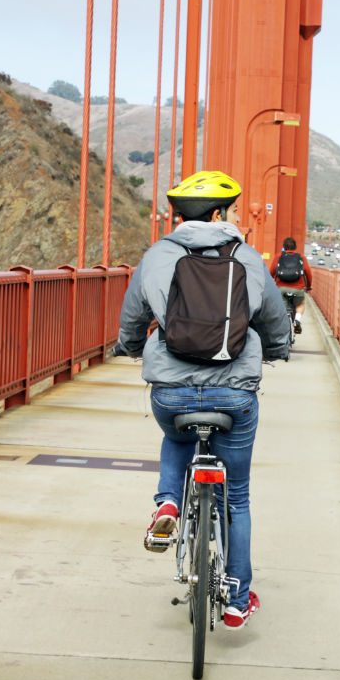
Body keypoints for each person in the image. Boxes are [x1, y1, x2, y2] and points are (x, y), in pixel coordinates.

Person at [117, 170, 291, 631]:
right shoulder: (248, 258)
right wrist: (276, 350)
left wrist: (131, 346)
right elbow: (274, 320)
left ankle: (169, 503)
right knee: (237, 497)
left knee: (175, 432)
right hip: (233, 393)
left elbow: (133, 317)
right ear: (220, 213)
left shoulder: (156, 257)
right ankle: (236, 598)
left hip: (171, 390)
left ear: (179, 216)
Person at [269, 237, 313, 334]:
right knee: (300, 304)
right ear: (295, 247)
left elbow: (271, 272)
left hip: (281, 288)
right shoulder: (301, 257)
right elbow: (308, 273)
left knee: (282, 307)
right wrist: (309, 286)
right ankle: (297, 320)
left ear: (284, 247)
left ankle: (281, 326)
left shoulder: (278, 256)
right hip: (298, 288)